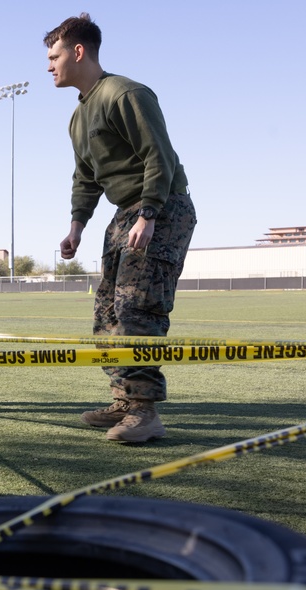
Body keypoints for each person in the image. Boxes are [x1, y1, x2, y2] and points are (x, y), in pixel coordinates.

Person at [45, 13, 197, 443]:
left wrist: (149, 213)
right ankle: (124, 399)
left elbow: (158, 156)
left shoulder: (124, 93)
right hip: (124, 213)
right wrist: (76, 226)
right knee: (108, 313)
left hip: (162, 207)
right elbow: (85, 177)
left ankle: (146, 413)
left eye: (54, 56)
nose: (49, 66)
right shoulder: (78, 117)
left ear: (78, 52)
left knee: (139, 309)